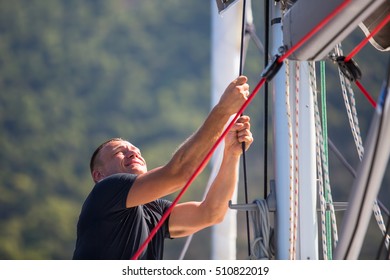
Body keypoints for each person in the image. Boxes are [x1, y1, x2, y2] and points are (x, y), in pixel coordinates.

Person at [72, 76, 253, 260]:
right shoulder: (106, 191)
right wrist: (223, 111)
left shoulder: (152, 209)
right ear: (98, 175)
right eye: (120, 152)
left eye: (136, 150)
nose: (133, 153)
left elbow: (211, 213)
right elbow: (180, 172)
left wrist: (231, 154)